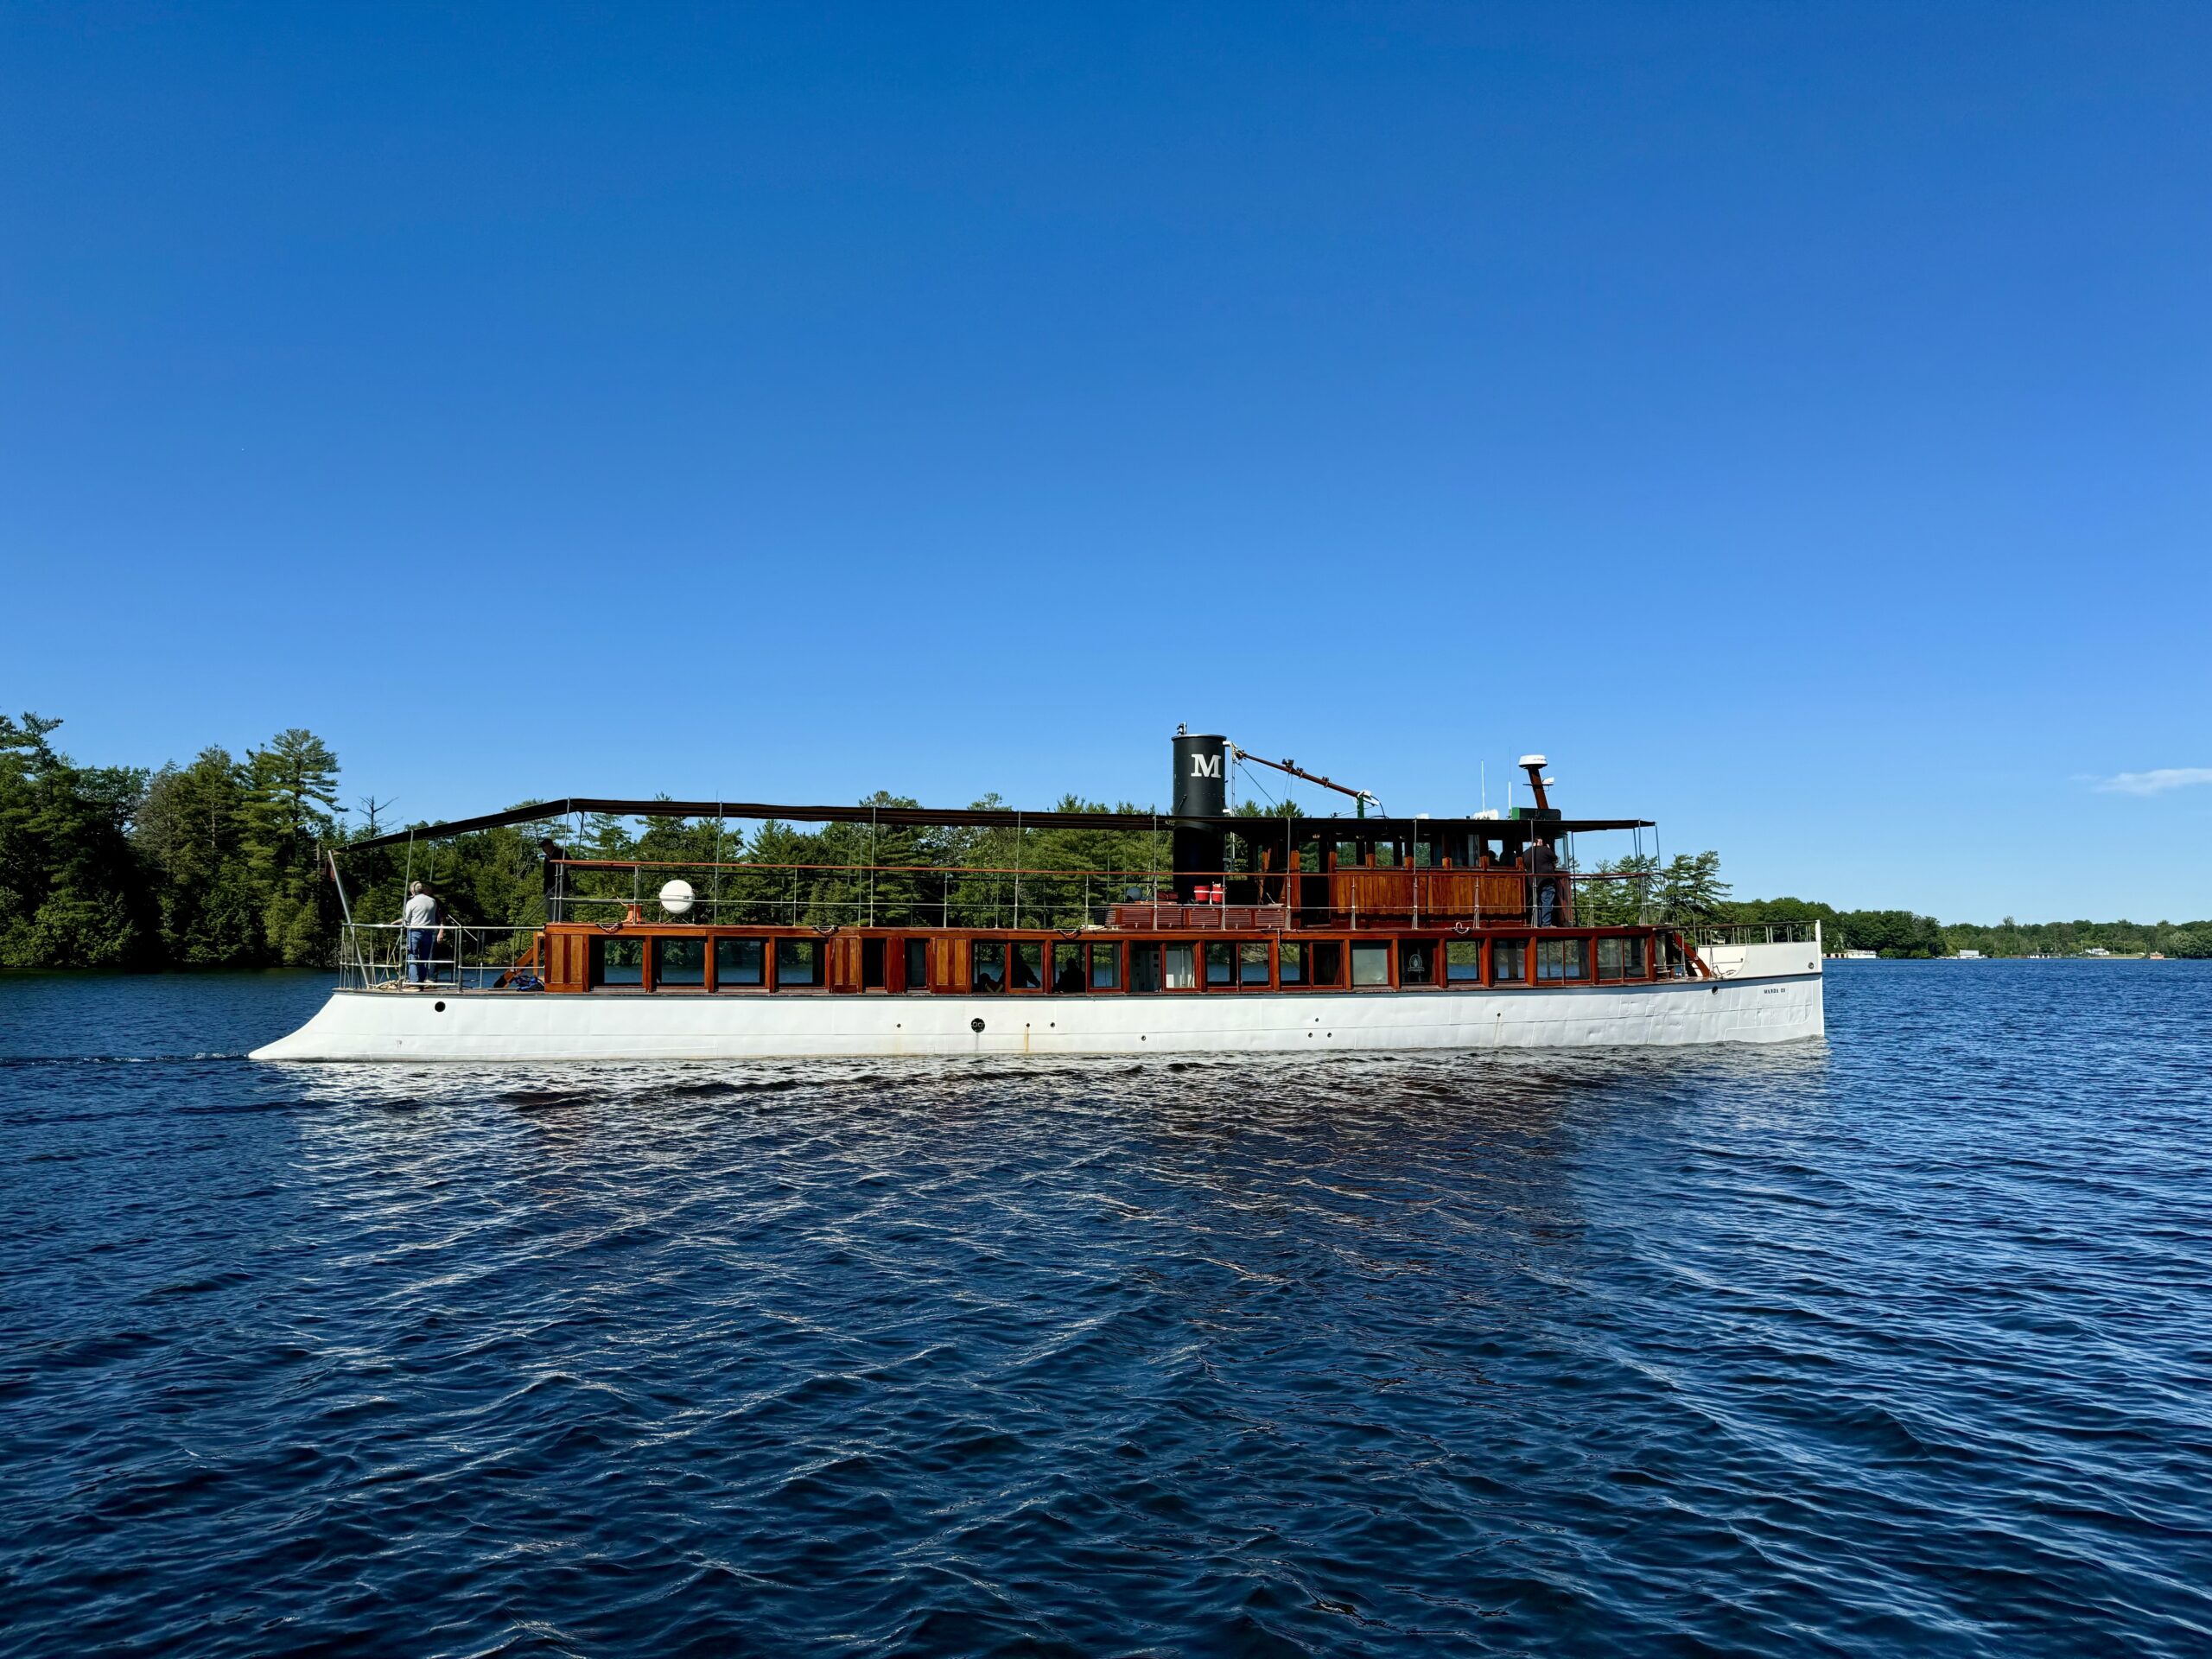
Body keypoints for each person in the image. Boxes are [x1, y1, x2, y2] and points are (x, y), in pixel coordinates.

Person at [402, 880, 442, 985]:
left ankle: (414, 981)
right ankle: (422, 980)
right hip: (429, 932)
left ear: (412, 891)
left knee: (413, 956)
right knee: (424, 958)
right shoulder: (433, 901)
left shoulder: (411, 902)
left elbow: (407, 919)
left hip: (415, 932)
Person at [1528, 837, 1560, 927]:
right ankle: (1546, 924)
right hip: (1546, 880)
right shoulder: (1545, 849)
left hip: (1533, 881)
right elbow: (1555, 859)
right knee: (1546, 901)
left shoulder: (1527, 853)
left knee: (1537, 901)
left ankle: (1537, 923)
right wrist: (1549, 849)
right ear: (1540, 841)